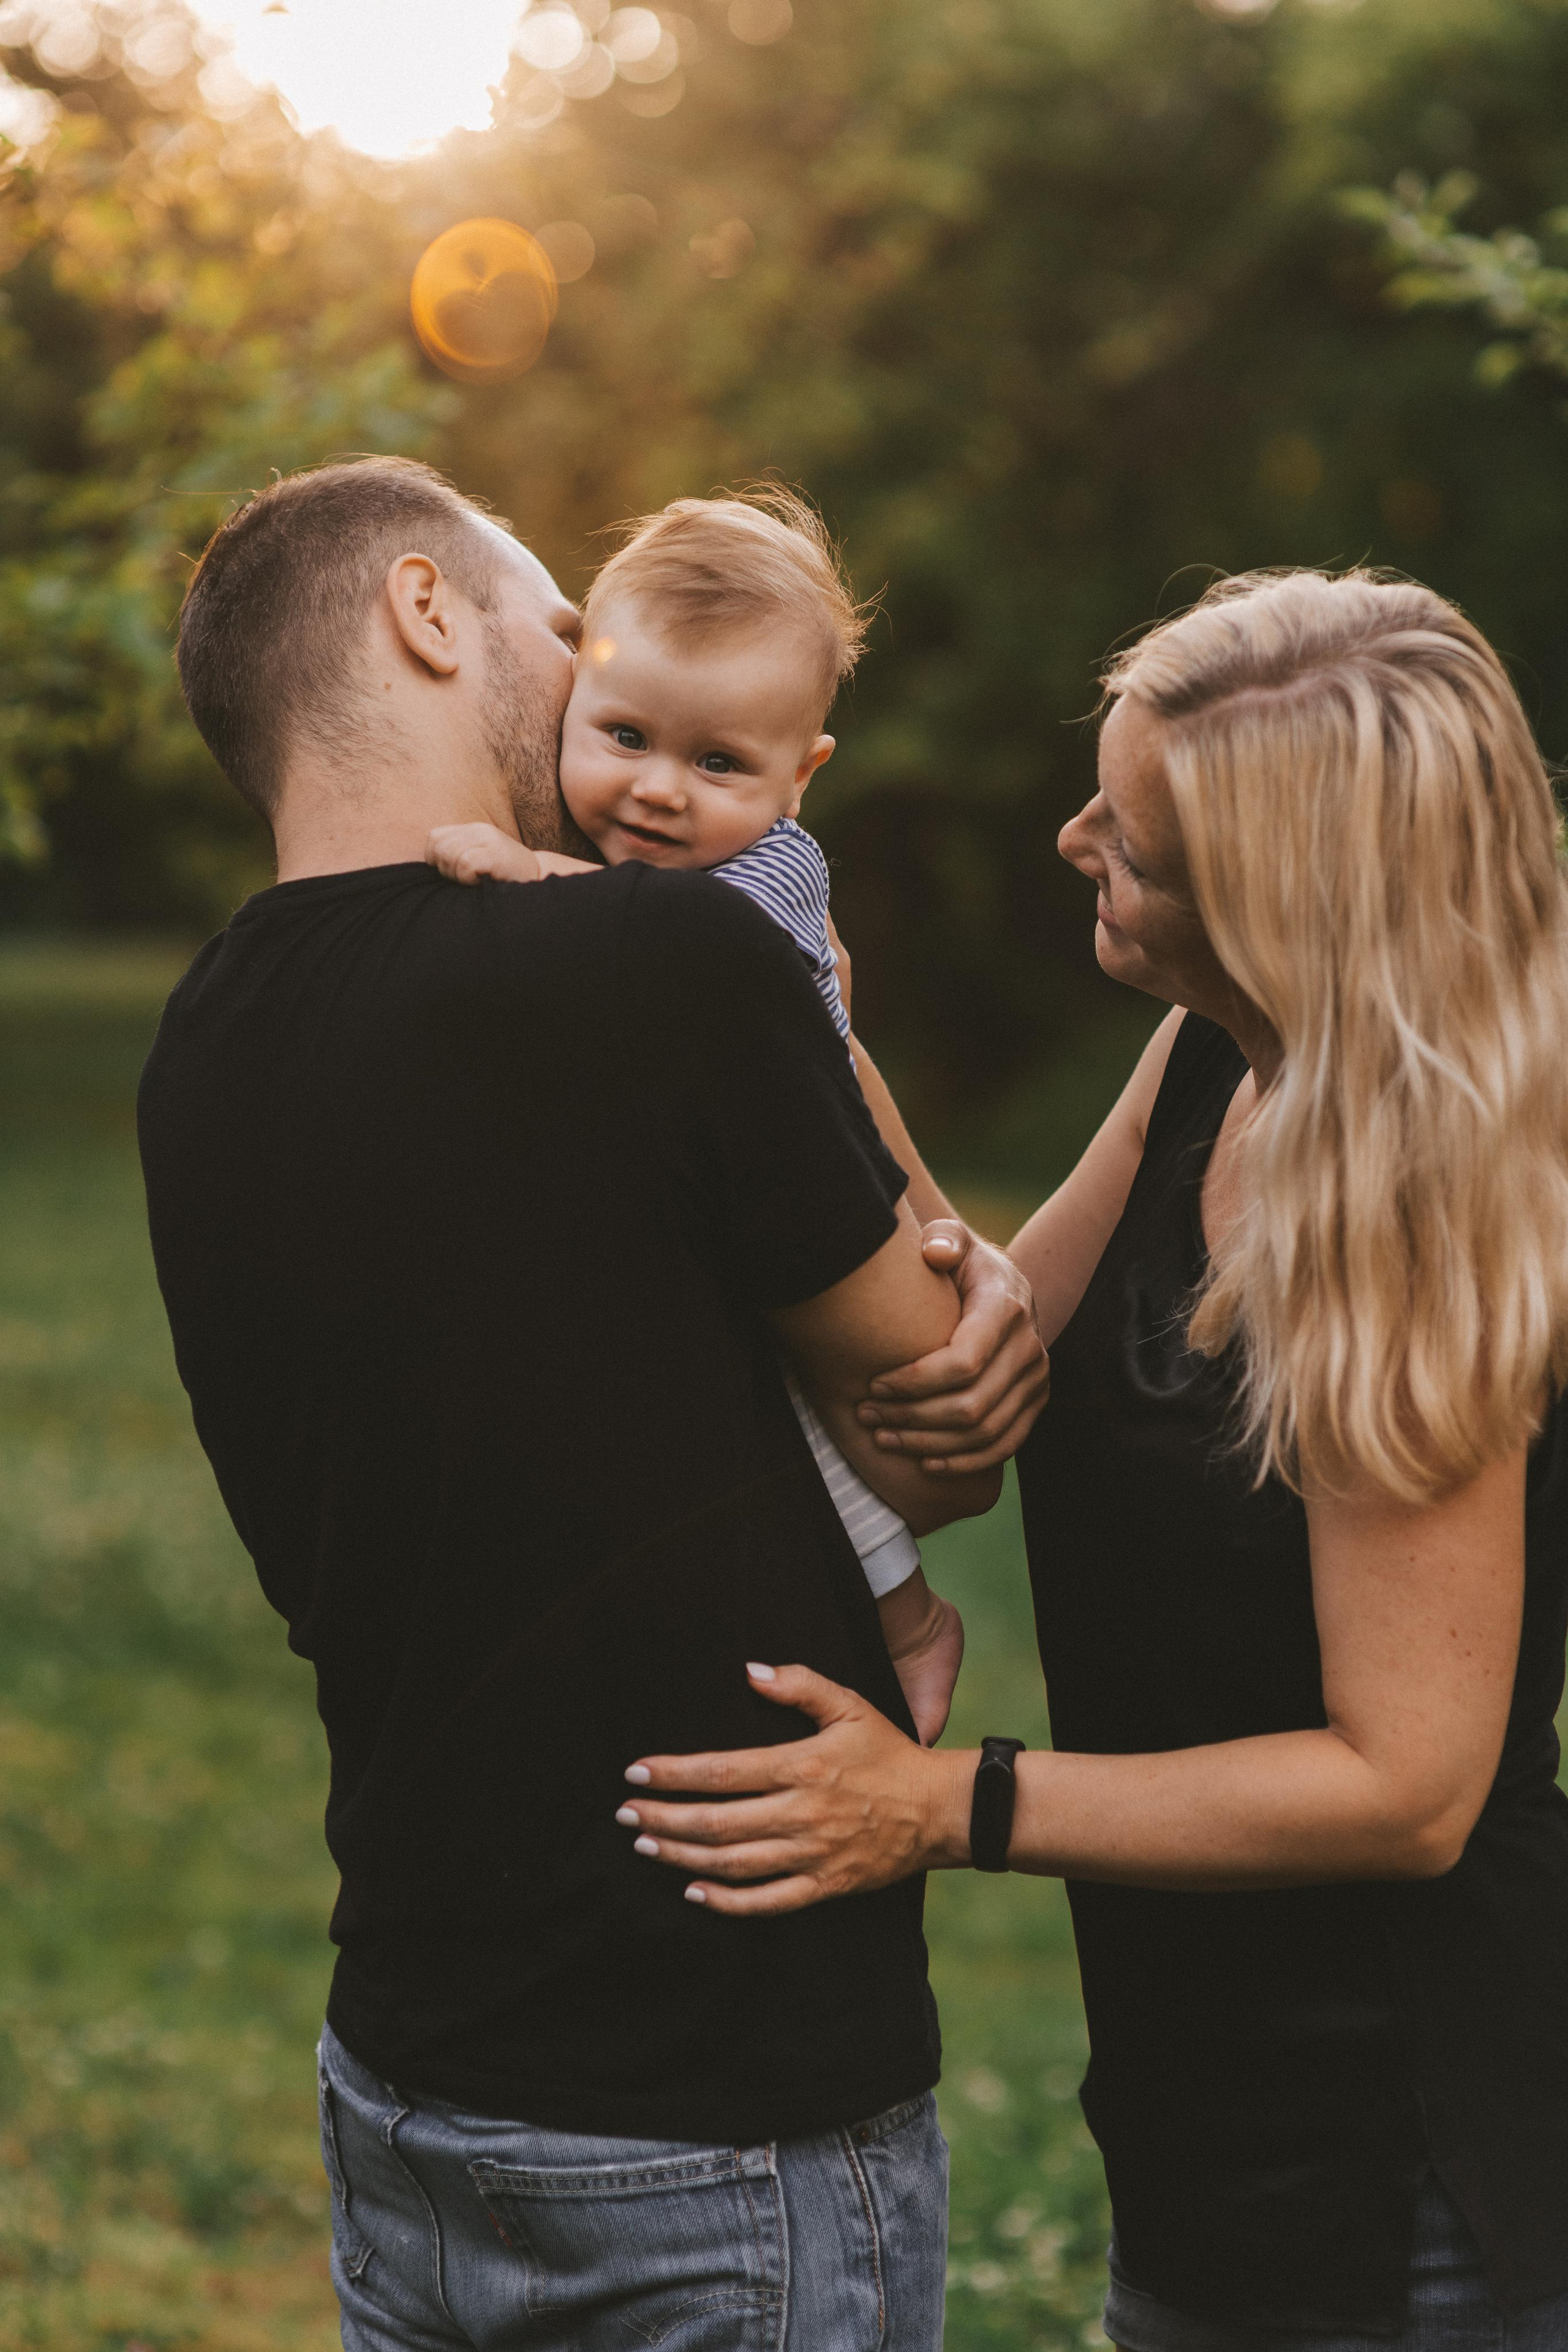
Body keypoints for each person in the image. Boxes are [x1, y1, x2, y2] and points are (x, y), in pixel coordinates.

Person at [135, 454, 1049, 2351]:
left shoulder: (202, 1040)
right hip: (710, 2096)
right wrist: (928, 1185)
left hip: (410, 2069)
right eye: (564, 625)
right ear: (419, 608)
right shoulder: (666, 961)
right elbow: (940, 1424)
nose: (593, 676)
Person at [617, 570, 1568, 2348]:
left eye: (1128, 840)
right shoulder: (1224, 1050)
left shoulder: (1423, 1203)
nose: (1070, 843)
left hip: (1406, 2176)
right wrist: (787, 1024)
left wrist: (945, 1804)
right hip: (1198, 2115)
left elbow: (1409, 1783)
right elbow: (964, 1337)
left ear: (1285, 913)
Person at [426, 486, 964, 1739]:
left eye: (718, 764)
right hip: (696, 1181)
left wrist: (533, 876)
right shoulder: (641, 842)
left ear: (800, 776)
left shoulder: (770, 874)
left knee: (803, 1422)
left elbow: (688, 955)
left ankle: (902, 1618)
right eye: (622, 737)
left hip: (805, 1191)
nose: (660, 791)